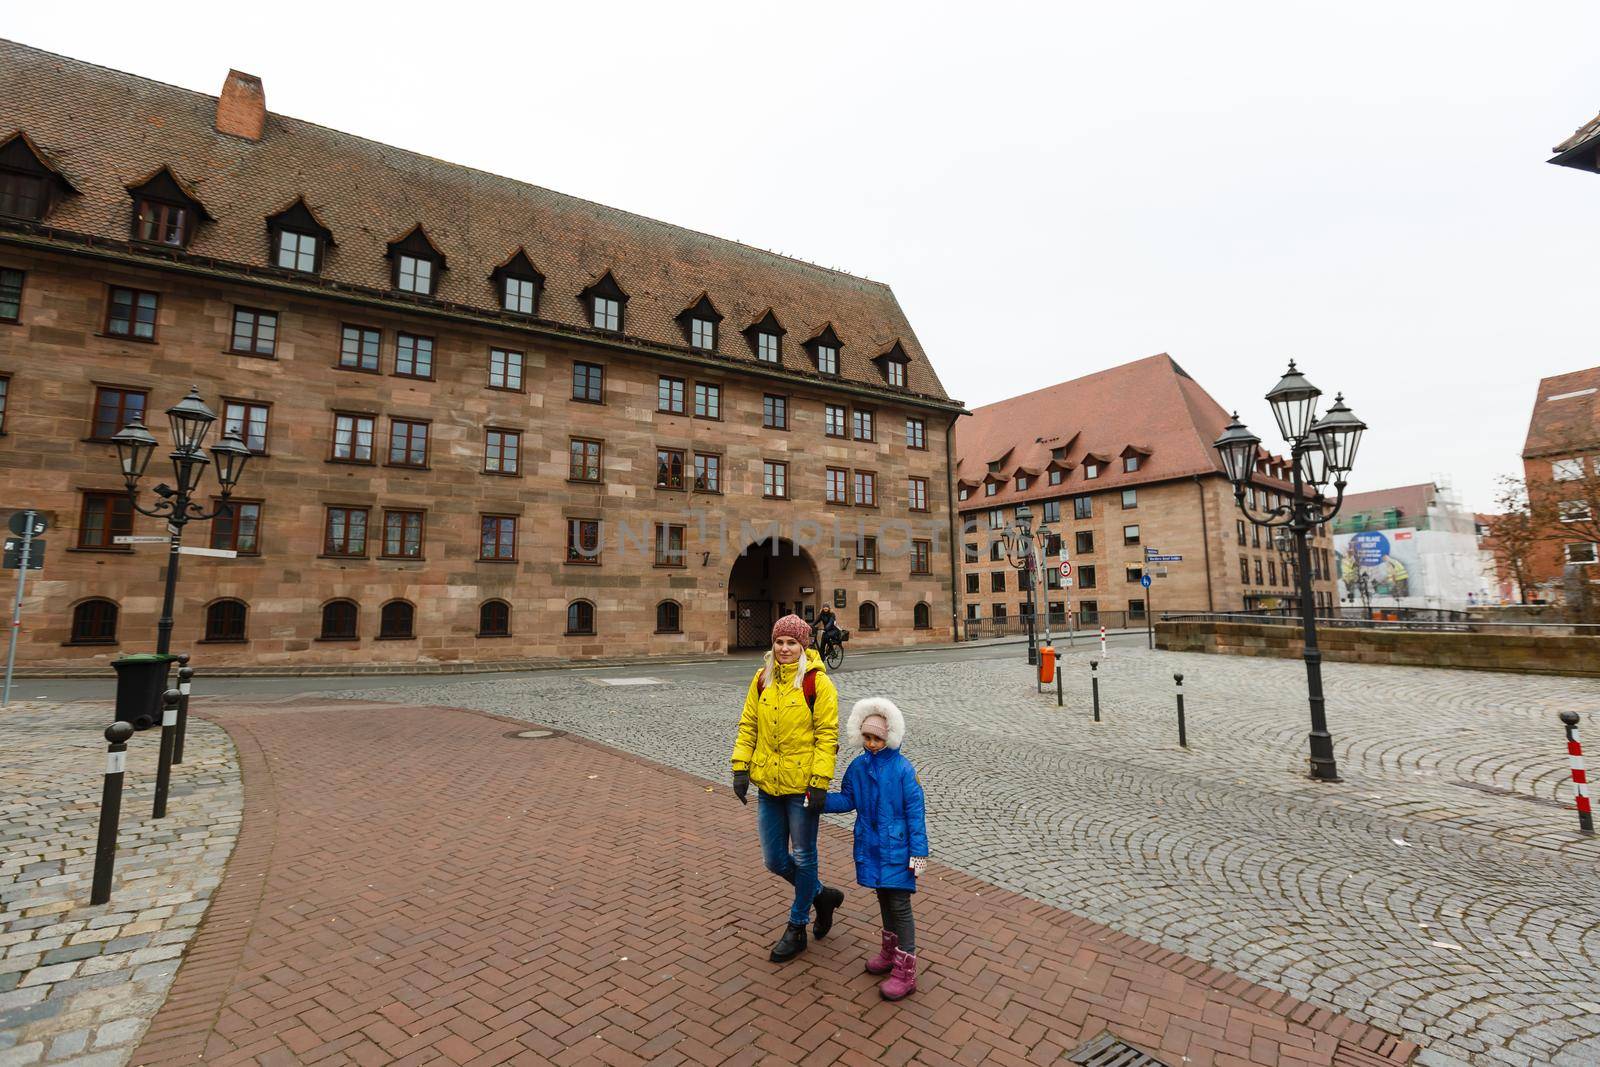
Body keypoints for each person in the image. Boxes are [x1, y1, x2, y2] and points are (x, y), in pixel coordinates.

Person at [730, 614, 845, 963]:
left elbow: (827, 735)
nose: (784, 648)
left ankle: (797, 926)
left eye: (791, 642)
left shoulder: (818, 684)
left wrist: (820, 783)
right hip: (768, 784)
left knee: (805, 856)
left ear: (803, 645)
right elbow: (749, 724)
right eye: (779, 641)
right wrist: (740, 767)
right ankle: (821, 895)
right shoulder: (762, 679)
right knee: (775, 859)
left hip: (803, 788)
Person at [824, 697, 928, 1001]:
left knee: (899, 905)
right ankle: (889, 951)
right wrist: (818, 801)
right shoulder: (858, 767)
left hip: (898, 849)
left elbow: (915, 814)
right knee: (884, 898)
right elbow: (848, 799)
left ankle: (905, 969)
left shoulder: (903, 770)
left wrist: (919, 853)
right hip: (872, 846)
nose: (871, 743)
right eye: (867, 737)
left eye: (877, 738)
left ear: (889, 737)